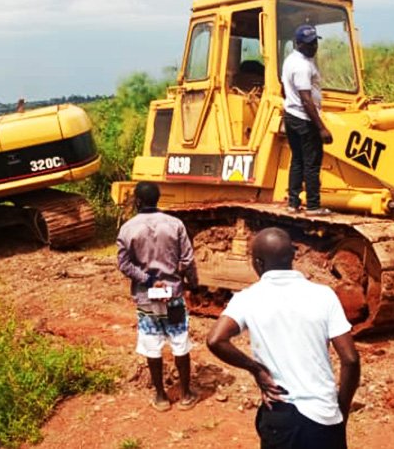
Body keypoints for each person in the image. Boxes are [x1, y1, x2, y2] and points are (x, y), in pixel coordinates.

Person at [206, 227, 360, 449]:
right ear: (293, 256)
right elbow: (351, 360)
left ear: (258, 263)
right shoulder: (324, 295)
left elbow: (215, 339)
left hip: (281, 415)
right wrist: (341, 410)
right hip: (325, 416)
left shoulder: (247, 298)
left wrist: (256, 369)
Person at [116, 181, 200, 412]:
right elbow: (187, 260)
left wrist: (149, 280)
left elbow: (124, 264)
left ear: (138, 201)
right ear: (158, 198)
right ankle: (185, 395)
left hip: (147, 298)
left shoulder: (128, 229)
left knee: (151, 344)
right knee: (180, 341)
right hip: (173, 296)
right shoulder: (175, 224)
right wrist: (193, 284)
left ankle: (161, 397)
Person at [282, 24, 334, 216]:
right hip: (304, 119)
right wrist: (321, 128)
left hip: (291, 115)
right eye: (309, 44)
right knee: (312, 162)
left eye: (315, 43)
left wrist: (290, 102)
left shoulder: (290, 60)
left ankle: (293, 203)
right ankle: (313, 205)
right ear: (299, 43)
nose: (314, 47)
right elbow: (306, 99)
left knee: (297, 160)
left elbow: (284, 88)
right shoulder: (303, 66)